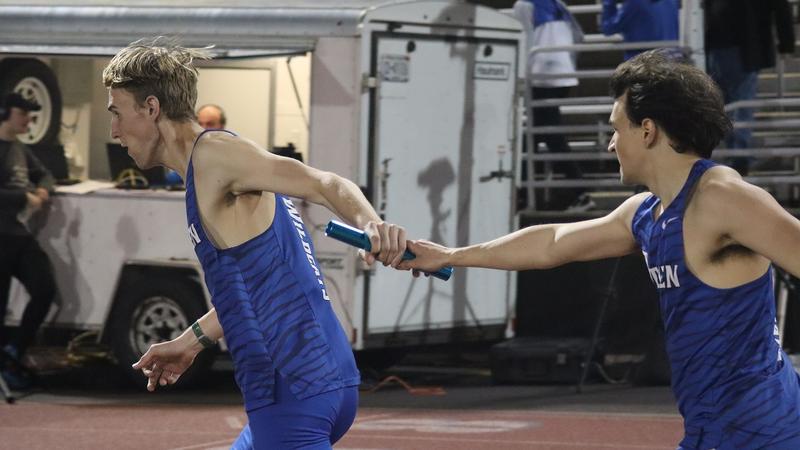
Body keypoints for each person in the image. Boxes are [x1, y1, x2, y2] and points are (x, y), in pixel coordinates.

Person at [399, 50, 800, 449]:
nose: (611, 145)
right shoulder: (645, 213)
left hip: (766, 431)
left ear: (647, 131)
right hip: (711, 429)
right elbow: (553, 243)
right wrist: (451, 256)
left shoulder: (722, 198)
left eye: (616, 129)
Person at [103, 38, 407, 449]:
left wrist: (373, 225)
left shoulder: (214, 156)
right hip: (308, 383)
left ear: (152, 108)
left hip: (292, 388)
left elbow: (327, 183)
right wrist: (189, 342)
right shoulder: (208, 166)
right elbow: (251, 286)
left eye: (117, 113)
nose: (114, 131)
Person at [0, 93, 57, 390]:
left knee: (45, 289)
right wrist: (25, 196)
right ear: (6, 112)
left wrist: (44, 190)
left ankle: (14, 352)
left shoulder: (20, 148)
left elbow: (46, 175)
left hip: (20, 235)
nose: (29, 120)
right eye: (24, 113)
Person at [705, 0, 796, 174]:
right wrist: (787, 43)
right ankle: (738, 158)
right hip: (747, 44)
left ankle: (727, 155)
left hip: (714, 41)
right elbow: (781, 8)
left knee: (722, 102)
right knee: (740, 103)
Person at [513, 0, 584, 210]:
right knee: (534, 134)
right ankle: (525, 193)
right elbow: (580, 37)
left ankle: (579, 190)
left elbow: (523, 40)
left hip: (540, 75)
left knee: (548, 134)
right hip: (564, 74)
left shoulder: (523, 5)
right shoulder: (558, 4)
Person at [601, 0, 679, 60]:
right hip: (671, 62)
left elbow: (608, 28)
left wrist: (608, 2)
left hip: (643, 66)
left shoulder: (635, 3)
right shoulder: (672, 1)